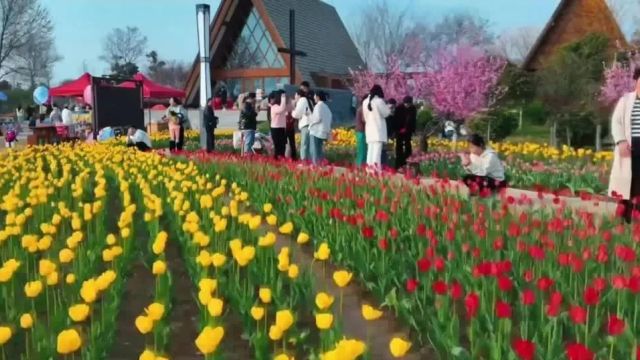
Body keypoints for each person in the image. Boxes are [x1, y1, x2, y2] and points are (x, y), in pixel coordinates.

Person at [610, 67, 640, 223]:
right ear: (636, 81)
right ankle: (623, 220)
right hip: (629, 147)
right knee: (627, 184)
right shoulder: (626, 100)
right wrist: (621, 141)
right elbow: (616, 122)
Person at [362, 85, 391, 170]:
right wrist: (388, 107)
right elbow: (386, 113)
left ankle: (369, 170)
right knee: (377, 153)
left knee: (370, 152)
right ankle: (376, 170)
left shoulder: (365, 102)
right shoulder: (379, 101)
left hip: (369, 130)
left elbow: (366, 117)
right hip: (378, 131)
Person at [309, 91, 332, 165]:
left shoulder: (318, 106)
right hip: (323, 131)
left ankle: (315, 165)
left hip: (315, 131)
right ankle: (320, 164)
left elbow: (317, 118)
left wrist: (311, 121)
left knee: (314, 149)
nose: (314, 98)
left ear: (318, 97)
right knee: (319, 149)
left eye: (315, 96)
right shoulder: (326, 107)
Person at [394, 96, 417, 169]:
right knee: (399, 146)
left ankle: (407, 161)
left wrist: (407, 129)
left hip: (408, 130)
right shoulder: (399, 108)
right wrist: (399, 129)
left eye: (408, 104)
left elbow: (412, 120)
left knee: (408, 146)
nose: (407, 105)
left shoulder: (413, 108)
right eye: (406, 103)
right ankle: (398, 164)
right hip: (399, 130)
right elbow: (396, 119)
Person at [292, 88, 314, 161]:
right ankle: (309, 160)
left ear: (298, 95)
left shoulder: (302, 100)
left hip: (306, 124)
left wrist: (292, 111)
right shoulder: (308, 100)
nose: (294, 97)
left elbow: (297, 114)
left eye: (295, 95)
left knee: (304, 144)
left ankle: (304, 160)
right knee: (309, 144)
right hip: (311, 125)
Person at [270, 90, 288, 159]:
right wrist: (283, 97)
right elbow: (281, 109)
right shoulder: (274, 106)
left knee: (282, 145)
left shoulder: (281, 105)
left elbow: (285, 109)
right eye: (283, 97)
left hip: (282, 127)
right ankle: (276, 159)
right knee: (277, 145)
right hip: (275, 128)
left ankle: (282, 158)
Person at [354, 95, 368, 167]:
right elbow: (364, 120)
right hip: (362, 131)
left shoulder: (360, 108)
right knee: (362, 150)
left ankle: (359, 164)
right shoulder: (363, 109)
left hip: (360, 131)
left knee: (361, 150)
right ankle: (360, 165)